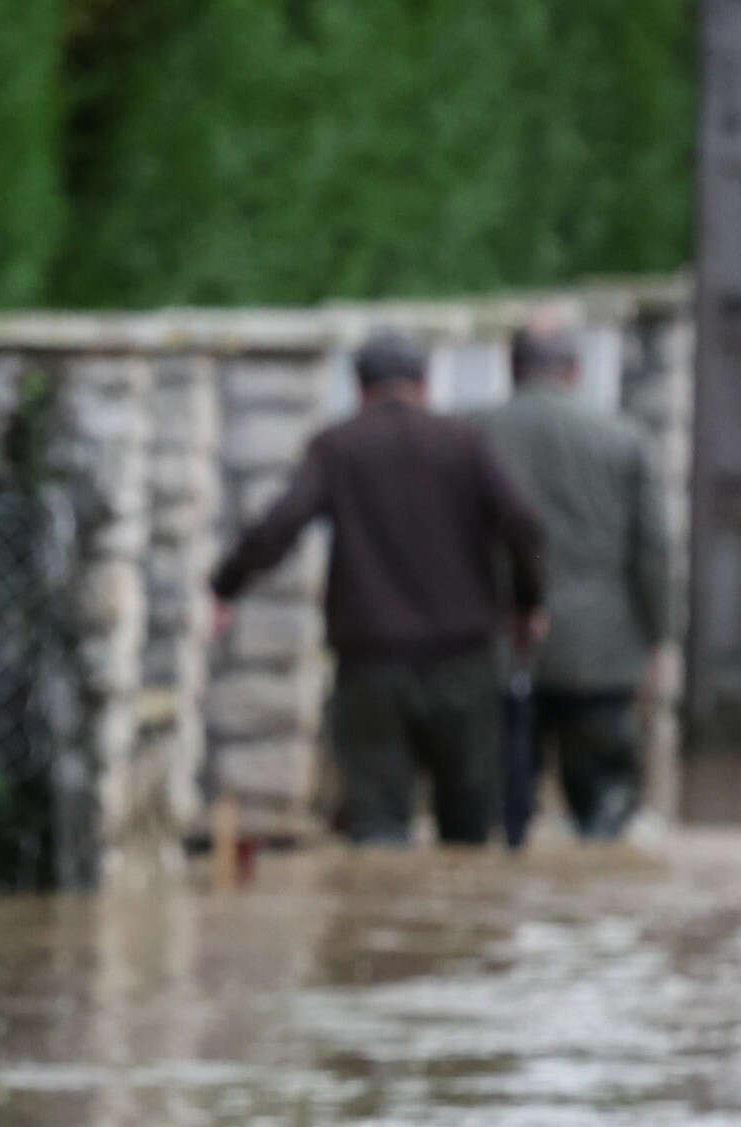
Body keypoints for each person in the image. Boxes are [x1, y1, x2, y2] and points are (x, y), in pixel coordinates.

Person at [209, 334, 549, 847]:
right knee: (470, 828)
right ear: (425, 382)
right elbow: (523, 524)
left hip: (371, 665)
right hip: (464, 663)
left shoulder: (339, 446)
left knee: (377, 829)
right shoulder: (465, 441)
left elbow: (280, 524)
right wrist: (527, 604)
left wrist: (224, 586)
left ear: (359, 387)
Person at [474, 322, 671, 841]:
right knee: (604, 812)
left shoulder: (474, 433)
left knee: (504, 819)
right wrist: (659, 636)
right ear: (575, 370)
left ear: (511, 366)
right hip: (603, 654)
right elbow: (653, 553)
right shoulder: (624, 439)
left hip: (501, 647)